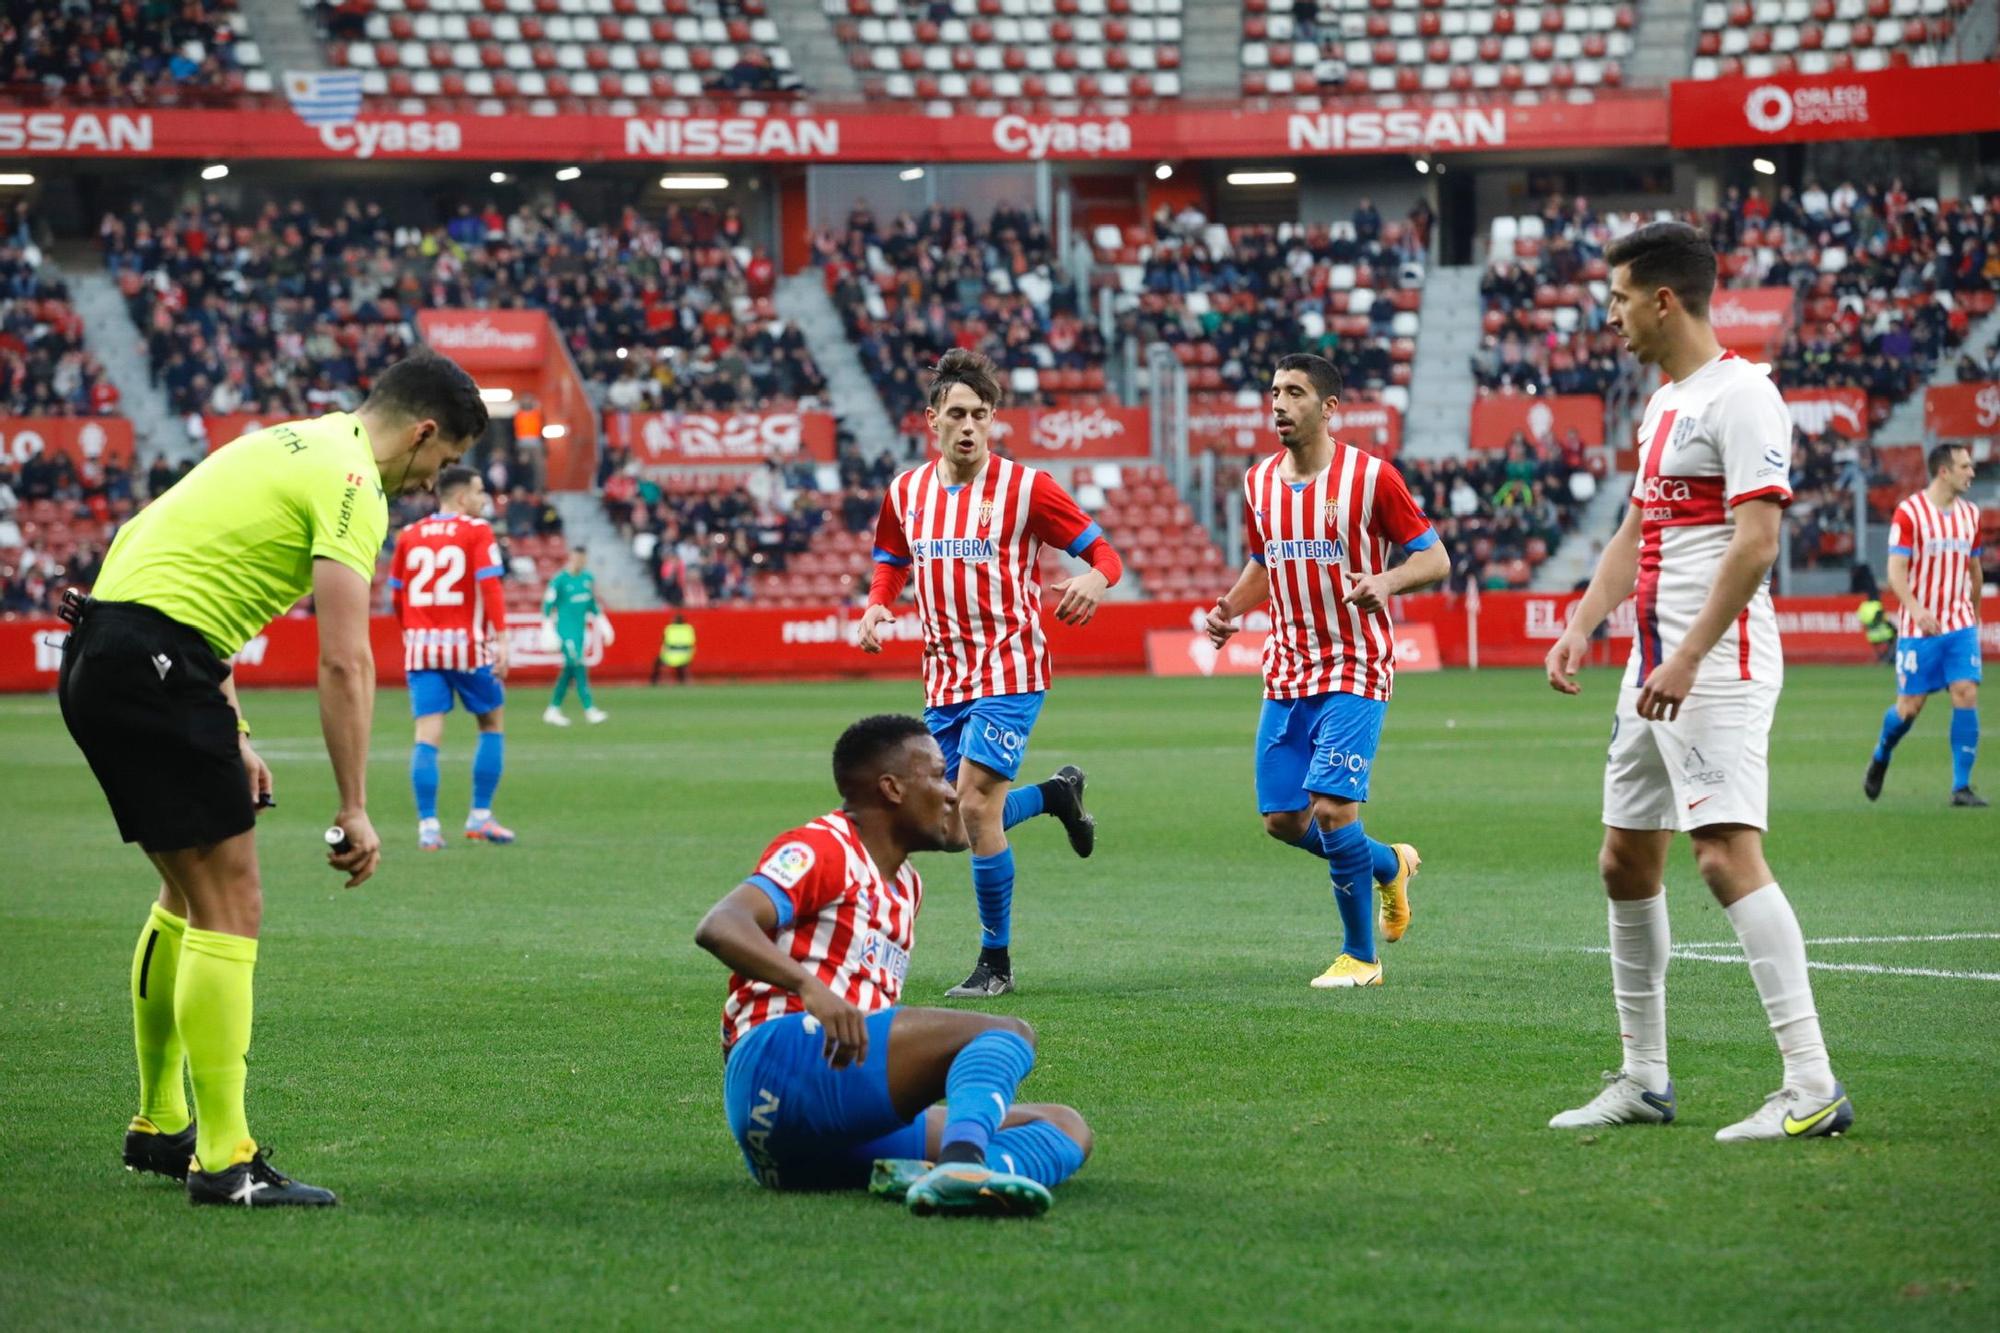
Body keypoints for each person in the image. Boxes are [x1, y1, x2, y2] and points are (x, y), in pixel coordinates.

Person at [58, 350, 486, 1206]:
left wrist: (237, 728)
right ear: (424, 431)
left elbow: (183, 565)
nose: (424, 484)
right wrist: (356, 805)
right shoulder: (354, 485)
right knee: (232, 903)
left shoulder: (296, 441)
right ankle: (225, 1160)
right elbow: (344, 659)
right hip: (156, 660)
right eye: (437, 466)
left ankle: (159, 1124)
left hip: (107, 651)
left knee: (187, 894)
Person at [1544, 221, 1851, 1142]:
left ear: (1664, 300)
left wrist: (1685, 655)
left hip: (1711, 663)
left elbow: (1757, 540)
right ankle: (1643, 1077)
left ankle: (1812, 1085)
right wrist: (1582, 621)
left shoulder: (1746, 397)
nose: (1612, 316)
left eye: (1620, 299)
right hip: (1652, 663)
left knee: (1722, 854)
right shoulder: (1663, 404)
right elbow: (1640, 534)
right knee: (1625, 858)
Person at [695, 714, 1093, 1216]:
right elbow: (721, 923)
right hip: (784, 1066)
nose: (952, 793)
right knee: (1006, 1034)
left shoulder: (907, 886)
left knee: (1065, 1126)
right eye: (937, 776)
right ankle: (964, 1165)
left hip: (817, 1135)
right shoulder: (825, 847)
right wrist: (808, 988)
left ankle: (939, 1177)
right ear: (892, 789)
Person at [856, 349, 1117, 998]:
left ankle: (995, 961)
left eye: (980, 414)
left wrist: (1093, 576)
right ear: (932, 419)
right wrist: (876, 606)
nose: (969, 425)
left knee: (973, 804)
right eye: (957, 414)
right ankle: (1056, 794)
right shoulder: (906, 492)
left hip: (1010, 668)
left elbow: (1103, 551)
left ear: (993, 419)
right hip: (945, 678)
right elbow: (891, 557)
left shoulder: (1028, 490)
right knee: (942, 821)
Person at [1203, 353, 1445, 989]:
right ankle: (1389, 863)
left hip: (1355, 664)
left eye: (1295, 394)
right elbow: (1265, 563)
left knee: (1334, 808)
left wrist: (1387, 581)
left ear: (1329, 408)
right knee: (1284, 820)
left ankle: (1361, 957)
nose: (1279, 405)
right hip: (1287, 669)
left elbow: (1435, 557)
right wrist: (1230, 608)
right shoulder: (1258, 484)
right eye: (1274, 393)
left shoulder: (1371, 479)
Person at [388, 464, 515, 851]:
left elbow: (396, 593)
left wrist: (412, 632)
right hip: (468, 647)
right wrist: (503, 639)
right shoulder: (476, 531)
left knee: (427, 736)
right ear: (461, 498)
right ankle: (480, 816)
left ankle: (428, 826)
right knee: (491, 723)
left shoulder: (409, 535)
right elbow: (489, 586)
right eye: (478, 493)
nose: (483, 500)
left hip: (422, 647)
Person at [1864, 443, 1985, 806]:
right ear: (1944, 472)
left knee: (1966, 692)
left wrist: (1974, 615)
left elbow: (1974, 570)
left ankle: (1961, 787)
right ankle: (1883, 752)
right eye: (1965, 466)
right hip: (1920, 628)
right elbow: (1895, 571)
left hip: (1959, 623)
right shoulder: (1909, 513)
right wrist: (1915, 609)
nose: (1972, 473)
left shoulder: (1971, 515)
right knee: (1910, 707)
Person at [541, 545, 610, 726]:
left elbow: (592, 604)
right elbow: (548, 604)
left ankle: (553, 709)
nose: (580, 562)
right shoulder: (560, 580)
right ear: (571, 558)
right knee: (577, 665)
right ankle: (589, 708)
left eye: (583, 559)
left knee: (569, 669)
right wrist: (547, 626)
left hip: (579, 632)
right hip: (565, 631)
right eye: (577, 558)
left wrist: (603, 623)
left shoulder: (588, 579)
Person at [652, 611, 695, 685]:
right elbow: (691, 643)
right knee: (681, 665)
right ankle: (682, 680)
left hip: (670, 655)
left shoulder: (669, 628)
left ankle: (654, 681)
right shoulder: (688, 628)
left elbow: (665, 643)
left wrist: (663, 653)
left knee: (657, 662)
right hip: (685, 655)